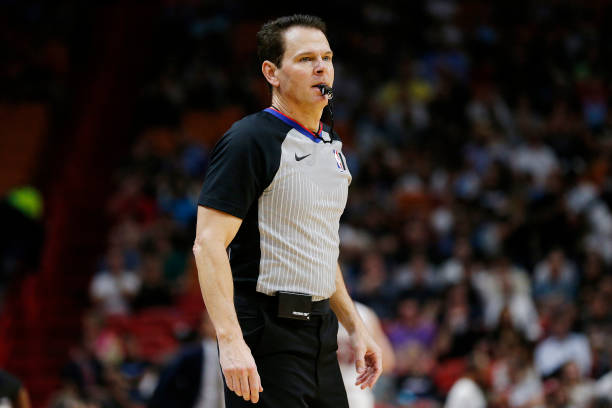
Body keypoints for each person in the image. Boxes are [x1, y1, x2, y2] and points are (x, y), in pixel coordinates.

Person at [192, 14, 382, 408]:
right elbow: (207, 244)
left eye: (327, 57)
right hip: (266, 332)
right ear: (272, 72)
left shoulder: (331, 146)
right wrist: (230, 342)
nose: (321, 67)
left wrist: (355, 326)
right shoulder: (249, 139)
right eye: (305, 59)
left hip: (321, 336)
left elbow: (320, 248)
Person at [148, 310, 224, 408]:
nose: (219, 325)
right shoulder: (188, 356)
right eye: (213, 321)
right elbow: (165, 387)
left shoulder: (240, 355)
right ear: (203, 326)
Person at [337, 301, 395, 408]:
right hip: (356, 393)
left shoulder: (310, 311)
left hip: (317, 392)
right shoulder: (364, 312)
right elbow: (387, 362)